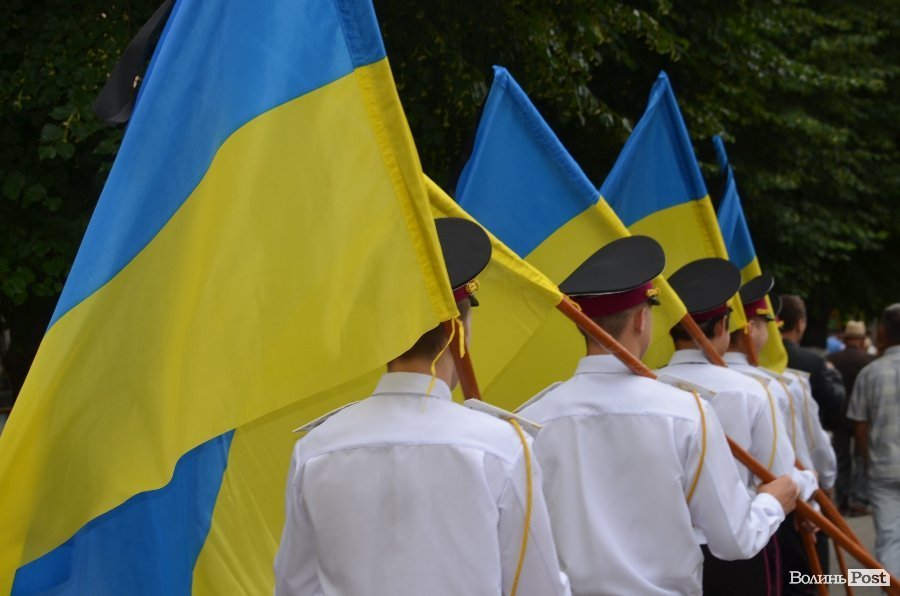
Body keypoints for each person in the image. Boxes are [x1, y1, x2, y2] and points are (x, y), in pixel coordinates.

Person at [274, 217, 571, 596]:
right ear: (460, 331)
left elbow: (295, 587)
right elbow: (537, 588)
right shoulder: (504, 447)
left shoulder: (316, 449)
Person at [519, 236, 799, 595]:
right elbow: (734, 540)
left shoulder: (531, 418)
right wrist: (772, 502)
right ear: (641, 320)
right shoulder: (687, 411)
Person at [658, 259, 817, 595]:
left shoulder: (651, 385)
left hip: (665, 551)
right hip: (741, 548)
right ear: (723, 327)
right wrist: (810, 480)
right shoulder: (751, 391)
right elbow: (778, 478)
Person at [725, 277, 834, 595]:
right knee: (804, 585)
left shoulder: (665, 380)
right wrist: (815, 485)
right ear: (753, 327)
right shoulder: (777, 386)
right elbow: (797, 461)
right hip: (776, 516)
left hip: (713, 532)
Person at [847, 303, 900, 576]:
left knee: (889, 540)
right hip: (882, 470)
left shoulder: (870, 373)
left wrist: (867, 462)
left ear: (882, 332)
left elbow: (860, 428)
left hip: (882, 469)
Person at [828, 320, 876, 515]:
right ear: (863, 340)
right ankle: (858, 499)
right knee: (861, 458)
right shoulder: (869, 361)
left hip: (838, 416)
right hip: (862, 418)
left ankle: (842, 500)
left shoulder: (832, 358)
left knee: (841, 459)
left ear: (845, 339)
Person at [780, 295, 845, 432]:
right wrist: (833, 373)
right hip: (805, 434)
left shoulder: (758, 358)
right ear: (800, 324)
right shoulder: (814, 362)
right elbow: (834, 400)